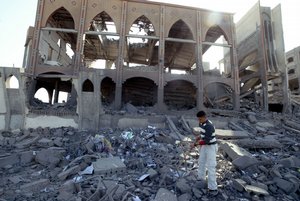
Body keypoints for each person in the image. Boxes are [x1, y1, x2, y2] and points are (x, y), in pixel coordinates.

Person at [191, 110, 218, 196]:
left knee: (211, 166)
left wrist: (195, 144)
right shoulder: (202, 124)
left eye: (200, 119)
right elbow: (203, 135)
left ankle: (213, 188)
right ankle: (201, 179)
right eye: (198, 119)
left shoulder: (209, 126)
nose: (199, 121)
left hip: (210, 146)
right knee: (201, 162)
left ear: (204, 117)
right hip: (204, 146)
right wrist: (198, 138)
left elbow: (206, 140)